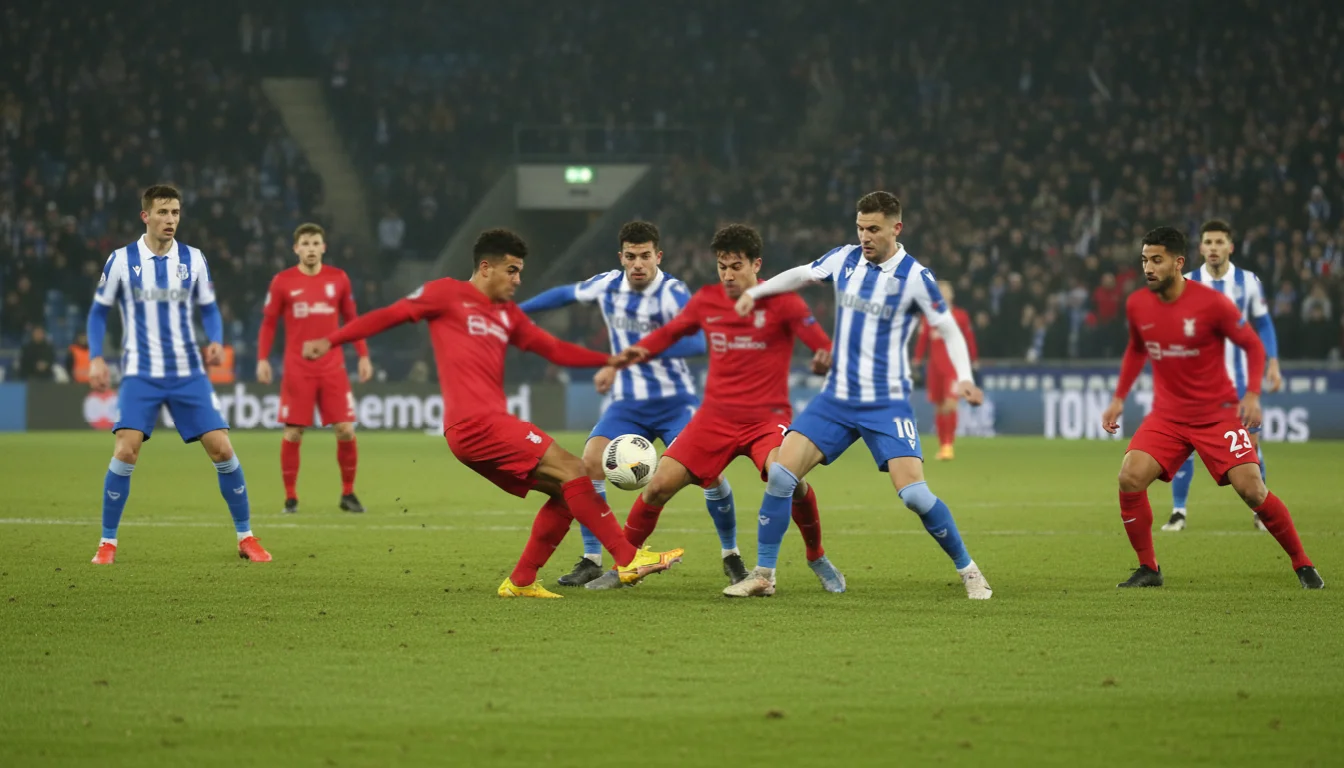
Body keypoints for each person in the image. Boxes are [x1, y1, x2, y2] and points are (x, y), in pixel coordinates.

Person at [303, 228, 683, 598]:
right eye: (512, 270)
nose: (518, 280)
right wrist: (331, 340)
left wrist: (610, 359)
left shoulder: (506, 315)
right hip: (474, 424)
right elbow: (388, 316)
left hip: (485, 427)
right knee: (577, 470)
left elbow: (553, 349)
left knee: (568, 492)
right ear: (486, 267)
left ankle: (521, 581)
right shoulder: (446, 294)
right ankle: (628, 558)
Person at [729, 191, 993, 599]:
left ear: (895, 228)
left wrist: (962, 376)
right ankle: (764, 574)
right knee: (781, 474)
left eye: (873, 229)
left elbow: (946, 326)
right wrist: (757, 292)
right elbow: (802, 273)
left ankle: (970, 571)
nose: (864, 236)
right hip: (836, 398)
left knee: (916, 496)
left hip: (885, 402)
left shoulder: (916, 278)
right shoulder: (845, 259)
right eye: (860, 228)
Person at [603, 223, 844, 592]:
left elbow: (820, 344)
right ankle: (624, 565)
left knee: (789, 481)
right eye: (722, 266)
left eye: (736, 266)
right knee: (656, 487)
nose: (728, 275)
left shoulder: (783, 303)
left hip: (766, 420)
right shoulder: (708, 300)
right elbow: (668, 334)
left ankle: (816, 555)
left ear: (756, 265)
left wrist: (823, 358)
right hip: (713, 419)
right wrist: (622, 359)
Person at [1100, 226, 1322, 589]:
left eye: (1157, 260)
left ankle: (1303, 563)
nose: (1149, 268)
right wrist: (1119, 397)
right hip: (1168, 416)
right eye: (1144, 260)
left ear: (1178, 263)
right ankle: (1149, 569)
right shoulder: (1138, 304)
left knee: (1252, 490)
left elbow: (1252, 345)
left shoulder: (1211, 303)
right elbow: (1137, 349)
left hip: (1217, 413)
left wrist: (1251, 395)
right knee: (1129, 476)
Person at [518, 221, 722, 587]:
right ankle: (592, 558)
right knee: (588, 464)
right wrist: (520, 310)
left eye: (645, 256)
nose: (638, 263)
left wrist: (639, 353)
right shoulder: (607, 284)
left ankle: (732, 554)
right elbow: (566, 294)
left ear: (657, 256)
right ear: (622, 257)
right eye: (631, 256)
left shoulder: (673, 292)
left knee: (711, 473)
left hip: (675, 403)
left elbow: (696, 345)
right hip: (627, 404)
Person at [85, 184, 269, 565]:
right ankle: (107, 543)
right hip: (141, 371)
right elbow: (99, 311)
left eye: (175, 213)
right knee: (126, 449)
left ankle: (246, 537)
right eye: (163, 212)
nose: (170, 220)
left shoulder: (194, 258)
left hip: (187, 372)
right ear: (146, 216)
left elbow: (210, 308)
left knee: (222, 448)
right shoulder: (121, 260)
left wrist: (216, 339)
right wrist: (96, 358)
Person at [1162, 219, 1281, 532]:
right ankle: (1178, 511)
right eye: (1208, 243)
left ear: (1230, 246)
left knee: (1251, 447)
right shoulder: (1186, 282)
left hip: (1242, 384)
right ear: (1200, 248)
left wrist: (1273, 362)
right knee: (1185, 446)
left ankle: (1261, 513)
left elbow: (1264, 323)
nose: (1213, 248)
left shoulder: (1248, 281)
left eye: (1219, 242)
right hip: (1197, 385)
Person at [257, 222, 373, 515]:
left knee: (346, 429)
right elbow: (269, 323)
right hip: (298, 369)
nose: (310, 249)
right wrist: (262, 358)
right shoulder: (283, 281)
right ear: (296, 248)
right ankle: (291, 498)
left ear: (324, 247)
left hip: (333, 368)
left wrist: (362, 355)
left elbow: (352, 319)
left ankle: (348, 494)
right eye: (305, 244)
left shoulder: (339, 279)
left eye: (315, 243)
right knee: (294, 433)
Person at [912, 280, 978, 460]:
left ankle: (949, 444)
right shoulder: (929, 317)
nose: (942, 294)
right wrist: (917, 359)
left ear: (951, 295)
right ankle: (942, 445)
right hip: (935, 367)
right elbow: (923, 339)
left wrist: (973, 358)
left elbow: (969, 338)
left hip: (953, 367)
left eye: (945, 291)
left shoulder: (960, 316)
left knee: (950, 404)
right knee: (940, 407)